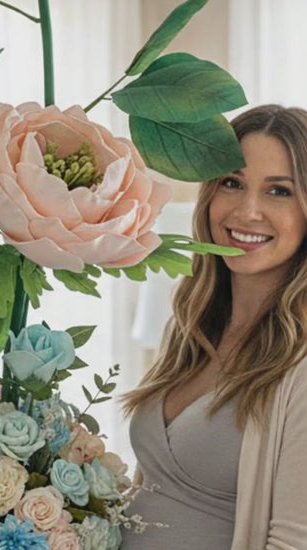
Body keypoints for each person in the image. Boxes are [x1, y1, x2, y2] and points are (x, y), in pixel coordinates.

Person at [120, 104, 307, 549]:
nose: (248, 211)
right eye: (232, 183)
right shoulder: (190, 327)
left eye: (279, 191)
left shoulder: (300, 367)